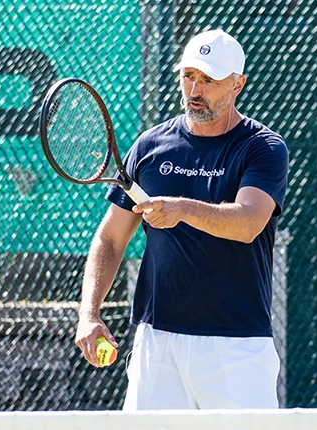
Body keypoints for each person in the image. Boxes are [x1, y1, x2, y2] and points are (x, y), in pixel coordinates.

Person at [74, 29, 289, 410]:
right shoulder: (149, 147)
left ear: (238, 84)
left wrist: (182, 209)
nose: (195, 90)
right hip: (157, 344)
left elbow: (248, 222)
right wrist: (89, 313)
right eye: (188, 76)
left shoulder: (263, 148)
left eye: (208, 79)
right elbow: (110, 239)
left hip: (236, 346)